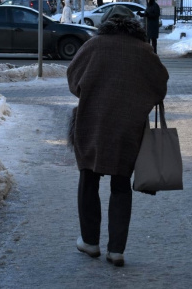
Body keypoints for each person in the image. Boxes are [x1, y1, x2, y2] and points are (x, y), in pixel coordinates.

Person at [67, 13, 169, 267]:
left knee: (88, 178)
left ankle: (90, 242)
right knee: (121, 183)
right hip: (129, 126)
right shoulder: (144, 51)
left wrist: (91, 91)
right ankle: (116, 250)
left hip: (92, 121)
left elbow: (73, 78)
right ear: (135, 28)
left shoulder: (93, 45)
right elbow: (161, 85)